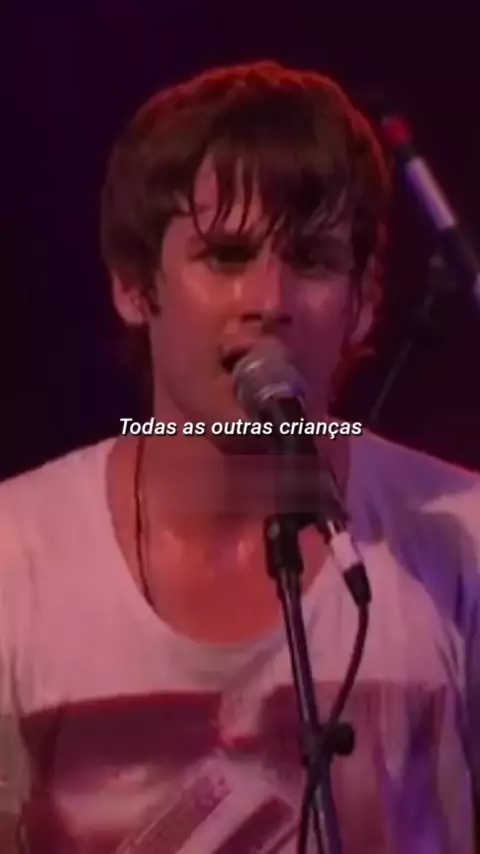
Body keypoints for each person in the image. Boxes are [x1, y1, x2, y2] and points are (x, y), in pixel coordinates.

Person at [0, 59, 479, 854]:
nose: (269, 300)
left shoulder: (460, 541)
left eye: (312, 260)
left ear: (362, 303)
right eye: (225, 256)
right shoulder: (15, 558)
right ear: (133, 285)